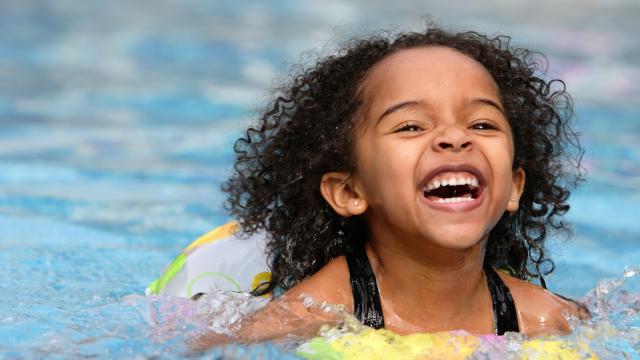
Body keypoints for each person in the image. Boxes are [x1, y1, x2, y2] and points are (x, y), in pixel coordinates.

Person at [201, 24, 586, 347]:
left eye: (482, 124)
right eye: (411, 126)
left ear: (514, 188)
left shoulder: (543, 317)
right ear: (349, 192)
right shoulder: (321, 310)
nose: (454, 137)